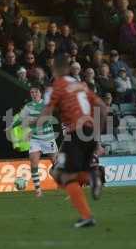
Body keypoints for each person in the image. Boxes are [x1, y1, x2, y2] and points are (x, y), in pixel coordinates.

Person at [38, 55, 107, 228]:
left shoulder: (57, 87)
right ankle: (93, 178)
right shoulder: (82, 86)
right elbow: (103, 107)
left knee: (59, 174)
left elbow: (47, 113)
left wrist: (32, 127)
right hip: (89, 132)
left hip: (75, 133)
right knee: (68, 174)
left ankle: (87, 214)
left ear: (54, 69)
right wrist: (96, 133)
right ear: (69, 68)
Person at [10, 85, 58, 197]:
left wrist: (32, 128)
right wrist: (12, 125)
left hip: (47, 138)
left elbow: (45, 121)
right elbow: (21, 119)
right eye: (32, 92)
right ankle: (38, 190)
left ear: (40, 93)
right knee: (33, 162)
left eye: (36, 92)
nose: (34, 94)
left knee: (56, 164)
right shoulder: (28, 106)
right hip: (36, 139)